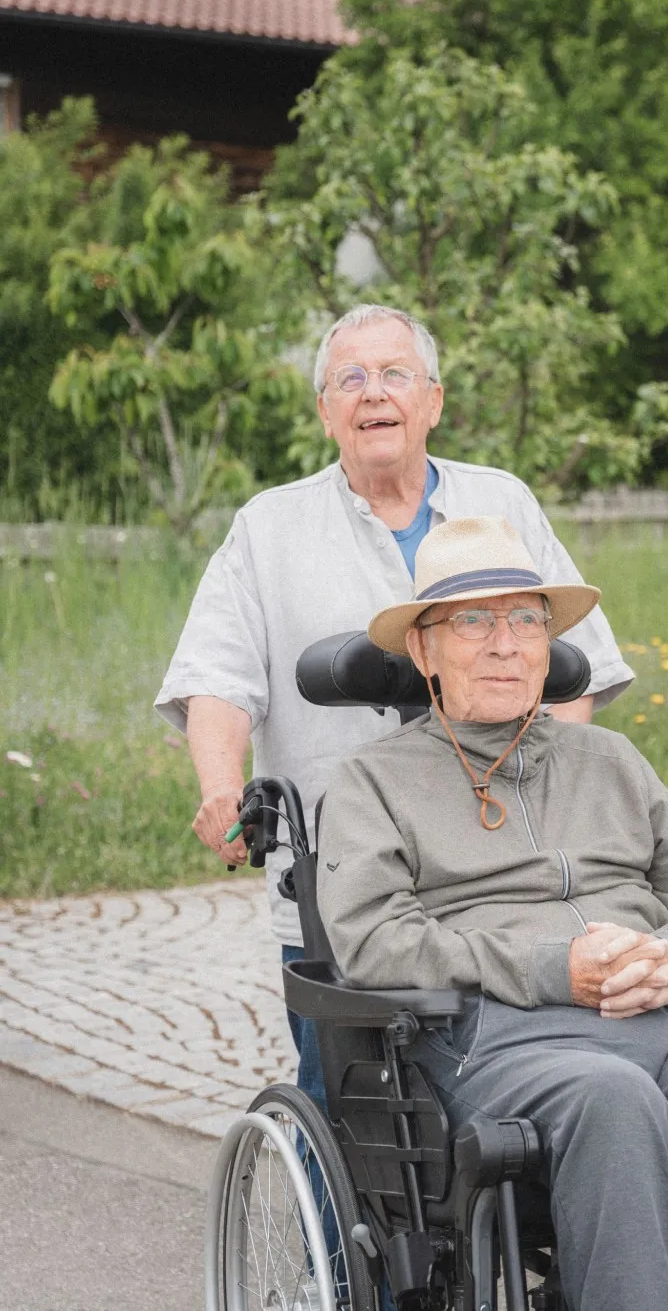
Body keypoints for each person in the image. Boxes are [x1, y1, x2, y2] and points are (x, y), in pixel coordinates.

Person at [316, 516, 668, 1311]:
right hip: (497, 1044)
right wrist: (555, 971)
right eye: (473, 620)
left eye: (526, 620)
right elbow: (374, 941)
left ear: (549, 645)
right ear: (423, 650)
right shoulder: (374, 782)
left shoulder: (609, 761)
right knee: (613, 1096)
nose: (505, 643)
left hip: (664, 1030)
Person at [154, 304, 634, 1108]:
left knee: (543, 1078)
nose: (373, 394)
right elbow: (219, 677)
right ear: (325, 410)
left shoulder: (501, 503)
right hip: (346, 882)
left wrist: (549, 788)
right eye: (350, 378)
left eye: (394, 374)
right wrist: (218, 787)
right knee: (352, 1110)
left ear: (434, 401)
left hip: (505, 874)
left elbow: (572, 673)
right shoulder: (269, 528)